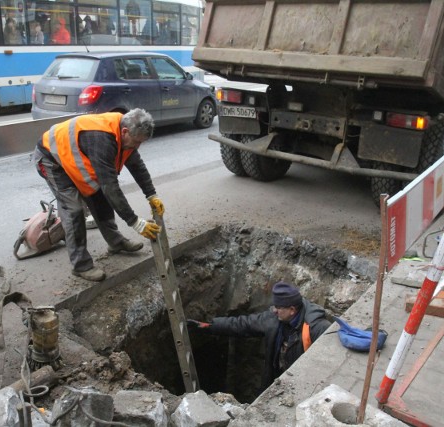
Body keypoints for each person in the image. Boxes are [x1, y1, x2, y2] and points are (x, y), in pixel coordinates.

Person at [32, 108, 164, 282]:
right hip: (52, 160)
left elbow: (137, 166)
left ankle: (115, 242)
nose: (137, 147)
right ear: (125, 132)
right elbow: (110, 186)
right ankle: (81, 265)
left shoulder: (125, 133)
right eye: (136, 142)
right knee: (74, 210)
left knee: (100, 197)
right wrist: (135, 222)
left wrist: (151, 195)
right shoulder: (102, 139)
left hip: (75, 157)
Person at [187, 281, 331, 391]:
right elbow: (243, 324)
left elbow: (329, 360)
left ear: (292, 310)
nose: (274, 310)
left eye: (278, 308)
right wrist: (211, 326)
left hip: (302, 386)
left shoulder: (316, 327)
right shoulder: (275, 319)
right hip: (276, 380)